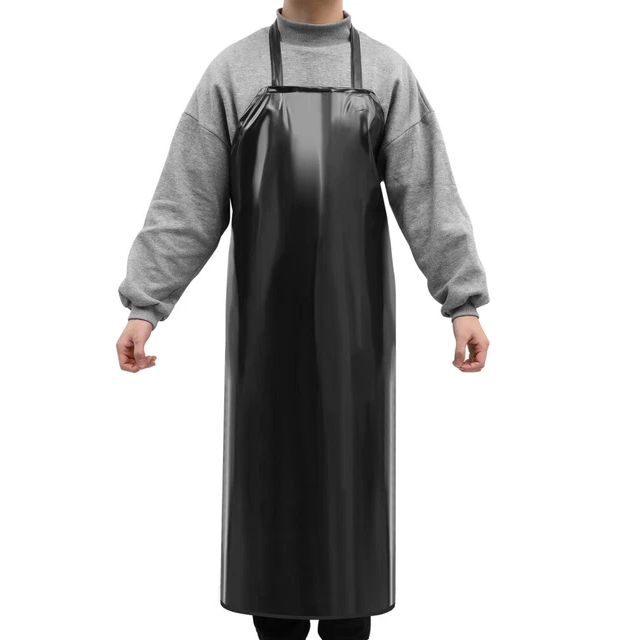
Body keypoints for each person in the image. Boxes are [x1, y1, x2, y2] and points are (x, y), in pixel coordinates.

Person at [116, 1, 490, 638]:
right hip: (263, 350)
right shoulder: (233, 72)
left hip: (357, 346)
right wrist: (145, 305)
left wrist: (463, 300)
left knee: (351, 545)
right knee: (273, 543)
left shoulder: (386, 73)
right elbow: (187, 202)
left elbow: (428, 195)